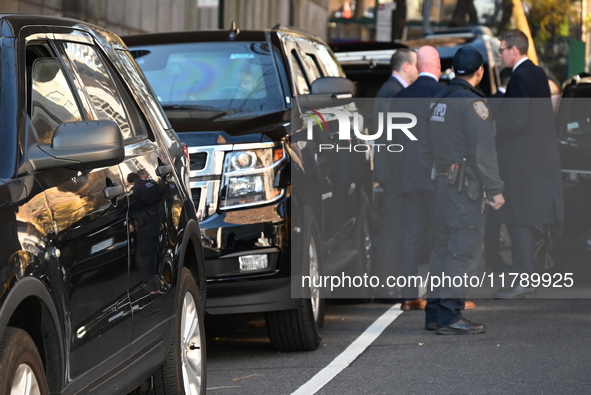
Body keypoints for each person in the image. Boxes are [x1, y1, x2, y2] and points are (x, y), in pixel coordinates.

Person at [421, 46, 505, 334]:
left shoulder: (438, 100)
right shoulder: (473, 105)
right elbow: (483, 153)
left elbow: (426, 147)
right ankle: (450, 316)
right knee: (463, 252)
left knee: (442, 250)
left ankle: (434, 314)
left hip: (442, 185)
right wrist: (495, 190)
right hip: (463, 190)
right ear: (479, 72)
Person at [491, 29, 564, 299]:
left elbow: (516, 120)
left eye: (501, 49)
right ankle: (527, 275)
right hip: (537, 162)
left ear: (514, 49)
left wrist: (491, 128)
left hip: (520, 165)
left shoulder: (520, 77)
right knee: (525, 220)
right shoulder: (537, 73)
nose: (500, 55)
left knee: (518, 221)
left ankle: (524, 278)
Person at [385, 46, 445, 310]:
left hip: (408, 178)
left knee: (410, 237)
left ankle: (409, 296)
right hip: (438, 177)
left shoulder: (399, 99)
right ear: (438, 65)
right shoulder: (443, 96)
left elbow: (391, 141)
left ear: (418, 66)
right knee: (443, 237)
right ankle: (440, 297)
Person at [372, 48, 418, 302]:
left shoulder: (390, 90)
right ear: (406, 67)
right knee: (392, 229)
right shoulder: (392, 92)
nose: (419, 70)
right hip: (393, 172)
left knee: (396, 227)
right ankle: (385, 285)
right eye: (416, 65)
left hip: (392, 171)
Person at [484, 67, 512, 273]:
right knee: (502, 213)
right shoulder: (508, 104)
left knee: (491, 218)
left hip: (490, 165)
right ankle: (494, 257)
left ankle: (491, 256)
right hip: (503, 165)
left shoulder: (488, 102)